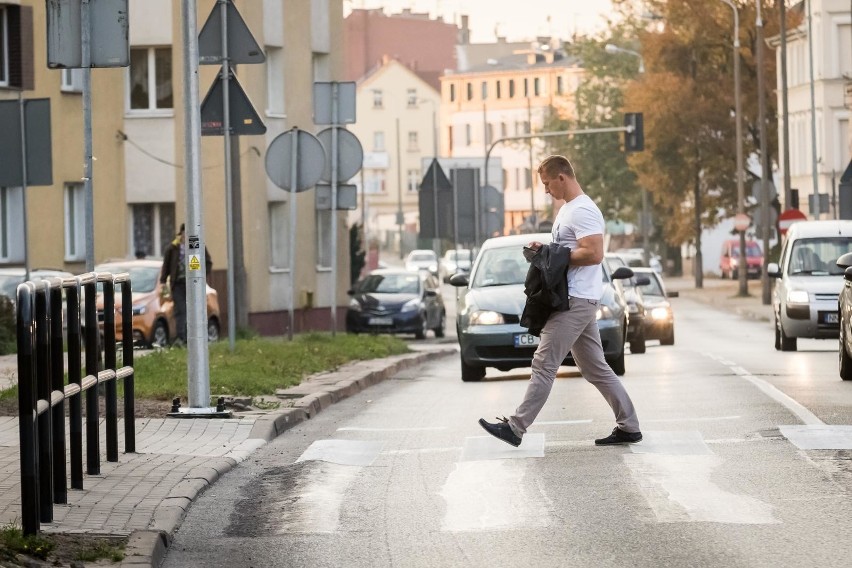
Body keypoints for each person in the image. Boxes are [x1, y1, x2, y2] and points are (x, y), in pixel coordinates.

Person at [478, 155, 642, 447]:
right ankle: (629, 426)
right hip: (576, 298)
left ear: (561, 178)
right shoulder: (569, 210)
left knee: (543, 363)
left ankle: (515, 428)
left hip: (576, 300)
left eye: (546, 183)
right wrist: (546, 251)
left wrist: (553, 256)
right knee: (595, 368)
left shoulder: (583, 211)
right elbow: (568, 250)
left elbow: (593, 253)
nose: (545, 190)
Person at [160, 224, 213, 345]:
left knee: (194, 309)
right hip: (177, 284)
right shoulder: (174, 247)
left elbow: (208, 262)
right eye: (185, 233)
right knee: (181, 310)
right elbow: (166, 265)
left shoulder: (196, 244)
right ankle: (182, 337)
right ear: (181, 233)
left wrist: (202, 276)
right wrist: (163, 281)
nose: (186, 236)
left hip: (193, 284)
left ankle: (195, 337)